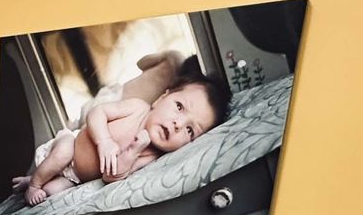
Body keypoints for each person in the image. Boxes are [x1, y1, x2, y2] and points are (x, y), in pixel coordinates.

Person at [15, 54, 232, 206]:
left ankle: (38, 182)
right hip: (70, 144)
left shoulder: (151, 157)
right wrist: (104, 141)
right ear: (161, 98)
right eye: (179, 107)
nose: (178, 124)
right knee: (62, 154)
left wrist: (133, 151)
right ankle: (34, 181)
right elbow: (97, 113)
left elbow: (112, 176)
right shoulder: (137, 108)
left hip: (75, 178)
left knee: (52, 194)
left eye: (190, 131)